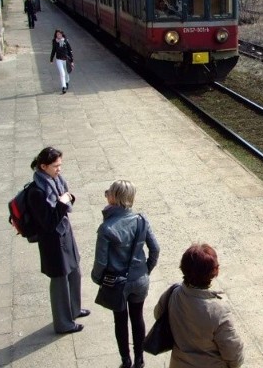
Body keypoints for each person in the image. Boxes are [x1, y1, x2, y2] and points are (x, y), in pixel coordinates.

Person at [91, 180, 160, 368]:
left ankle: (125, 360)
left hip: (117, 283)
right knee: (137, 318)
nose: (106, 195)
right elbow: (155, 249)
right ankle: (140, 359)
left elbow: (100, 262)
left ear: (114, 198)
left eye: (108, 192)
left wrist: (98, 280)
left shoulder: (107, 228)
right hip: (140, 279)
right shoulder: (142, 220)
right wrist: (146, 269)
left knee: (120, 321)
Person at [27, 147, 90, 334]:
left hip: (64, 234)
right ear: (43, 166)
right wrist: (63, 202)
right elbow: (48, 222)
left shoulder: (56, 180)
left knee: (75, 272)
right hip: (52, 242)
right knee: (60, 282)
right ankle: (63, 323)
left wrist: (68, 198)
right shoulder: (36, 192)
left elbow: (64, 204)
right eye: (55, 166)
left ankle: (74, 309)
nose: (59, 170)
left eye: (60, 165)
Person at [153, 243, 244, 368]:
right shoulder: (218, 311)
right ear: (213, 272)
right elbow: (232, 351)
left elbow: (158, 314)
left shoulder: (173, 293)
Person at [50, 29, 74, 94]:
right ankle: (63, 87)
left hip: (66, 60)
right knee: (62, 73)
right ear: (56, 35)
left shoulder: (66, 41)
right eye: (57, 34)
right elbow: (53, 50)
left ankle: (67, 82)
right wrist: (51, 59)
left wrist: (72, 61)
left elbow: (70, 51)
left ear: (62, 34)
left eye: (60, 34)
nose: (59, 35)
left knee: (66, 72)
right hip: (59, 60)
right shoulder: (55, 41)